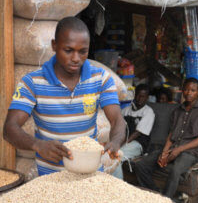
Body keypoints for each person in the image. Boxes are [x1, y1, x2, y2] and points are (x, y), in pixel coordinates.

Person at [3, 16, 126, 176]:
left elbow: (117, 120)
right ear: (54, 45)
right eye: (68, 50)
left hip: (91, 176)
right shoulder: (32, 82)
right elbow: (9, 128)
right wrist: (38, 145)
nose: (76, 59)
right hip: (51, 178)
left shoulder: (101, 78)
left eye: (83, 52)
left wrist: (115, 141)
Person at [134, 77, 198, 199]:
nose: (189, 93)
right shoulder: (177, 111)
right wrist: (165, 151)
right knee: (141, 165)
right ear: (182, 91)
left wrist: (179, 149)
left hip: (190, 153)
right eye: (186, 90)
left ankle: (166, 201)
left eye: (192, 90)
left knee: (176, 171)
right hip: (173, 148)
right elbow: (171, 134)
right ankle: (155, 194)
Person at [112, 84, 155, 179]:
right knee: (109, 156)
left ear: (147, 98)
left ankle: (118, 187)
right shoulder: (126, 110)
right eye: (138, 95)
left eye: (143, 96)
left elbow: (137, 133)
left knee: (117, 157)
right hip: (123, 141)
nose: (140, 98)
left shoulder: (148, 112)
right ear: (135, 95)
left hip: (137, 144)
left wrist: (121, 144)